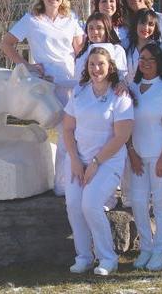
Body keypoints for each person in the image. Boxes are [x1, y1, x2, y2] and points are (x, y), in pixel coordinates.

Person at [1, 0, 85, 195]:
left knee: (77, 132)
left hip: (71, 80)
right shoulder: (31, 19)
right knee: (63, 132)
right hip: (47, 84)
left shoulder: (71, 18)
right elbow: (6, 43)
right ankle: (62, 185)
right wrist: (26, 66)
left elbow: (80, 50)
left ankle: (77, 182)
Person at [62, 46, 134, 276]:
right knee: (74, 205)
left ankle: (107, 258)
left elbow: (122, 136)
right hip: (78, 161)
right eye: (91, 64)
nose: (96, 69)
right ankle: (83, 257)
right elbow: (67, 129)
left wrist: (94, 163)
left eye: (101, 64)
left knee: (90, 204)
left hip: (107, 162)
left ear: (110, 66)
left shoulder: (120, 95)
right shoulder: (80, 92)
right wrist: (74, 159)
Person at [127, 42, 162, 271]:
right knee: (139, 203)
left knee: (160, 204)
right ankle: (146, 248)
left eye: (151, 60)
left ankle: (160, 251)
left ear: (159, 63)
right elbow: (125, 124)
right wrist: (131, 152)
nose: (146, 63)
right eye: (142, 59)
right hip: (138, 157)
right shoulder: (132, 87)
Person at [69, 12, 127, 82]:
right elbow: (78, 79)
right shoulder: (83, 54)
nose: (95, 32)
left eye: (99, 28)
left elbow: (122, 76)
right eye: (91, 28)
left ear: (107, 29)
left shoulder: (116, 50)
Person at [125, 8, 162, 82]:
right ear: (136, 24)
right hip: (130, 90)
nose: (146, 28)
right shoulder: (126, 46)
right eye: (142, 23)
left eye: (150, 24)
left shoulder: (161, 48)